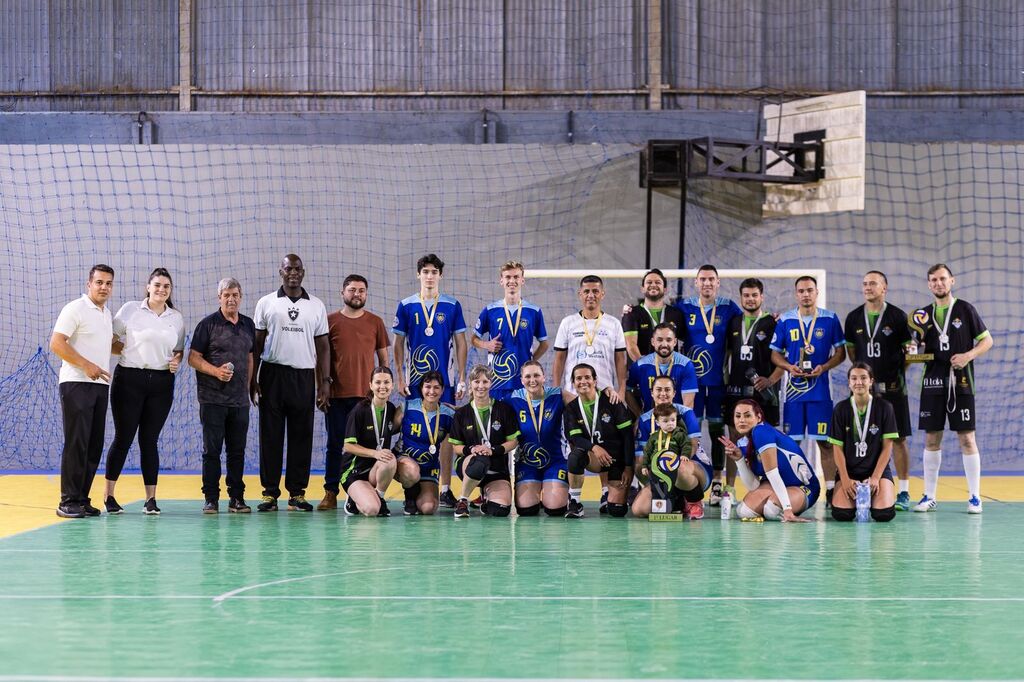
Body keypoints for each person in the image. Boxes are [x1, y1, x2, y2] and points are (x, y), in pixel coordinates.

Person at [910, 264, 993, 514]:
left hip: (962, 382)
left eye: (942, 279)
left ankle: (975, 497)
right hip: (932, 383)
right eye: (933, 280)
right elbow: (914, 356)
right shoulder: (922, 315)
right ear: (928, 284)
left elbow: (987, 341)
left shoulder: (965, 309)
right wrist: (913, 354)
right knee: (931, 438)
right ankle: (929, 496)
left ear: (952, 281)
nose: (938, 283)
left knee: (967, 438)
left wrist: (968, 356)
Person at [102, 268, 185, 515]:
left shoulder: (176, 318)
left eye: (166, 286)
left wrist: (176, 361)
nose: (161, 290)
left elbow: (178, 350)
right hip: (129, 379)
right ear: (148, 287)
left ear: (170, 291)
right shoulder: (130, 310)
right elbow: (110, 339)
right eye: (157, 285)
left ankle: (150, 500)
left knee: (149, 441)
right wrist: (128, 351)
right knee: (123, 438)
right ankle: (109, 496)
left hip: (161, 383)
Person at [250, 254, 330, 512]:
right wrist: (253, 379)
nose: (292, 273)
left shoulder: (316, 305)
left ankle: (297, 493)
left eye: (297, 269)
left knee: (301, 435)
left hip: (304, 376)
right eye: (288, 269)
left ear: (303, 272)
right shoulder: (266, 303)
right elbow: (257, 344)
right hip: (272, 375)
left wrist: (324, 384)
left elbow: (324, 348)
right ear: (280, 272)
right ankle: (269, 494)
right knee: (270, 435)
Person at [393, 253, 468, 508]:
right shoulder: (406, 305)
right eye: (425, 271)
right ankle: (410, 487)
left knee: (445, 432)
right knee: (410, 427)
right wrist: (400, 377)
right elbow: (399, 343)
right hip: (415, 382)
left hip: (442, 382)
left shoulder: (451, 305)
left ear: (440, 275)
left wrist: (460, 377)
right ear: (418, 275)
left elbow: (460, 342)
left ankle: (445, 488)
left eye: (434, 272)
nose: (429, 276)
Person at [551, 274, 628, 512]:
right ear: (580, 294)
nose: (591, 295)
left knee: (606, 439)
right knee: (578, 445)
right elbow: (559, 358)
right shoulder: (568, 323)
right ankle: (574, 498)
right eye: (586, 291)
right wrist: (560, 390)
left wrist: (621, 390)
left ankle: (607, 493)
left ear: (602, 294)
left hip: (605, 395)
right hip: (574, 395)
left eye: (595, 291)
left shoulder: (614, 324)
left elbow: (620, 359)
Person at [770, 275, 846, 506]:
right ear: (796, 294)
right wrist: (787, 366)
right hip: (793, 394)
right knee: (792, 444)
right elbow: (774, 354)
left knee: (825, 443)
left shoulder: (830, 319)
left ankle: (831, 491)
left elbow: (841, 353)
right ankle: (793, 487)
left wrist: (824, 366)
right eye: (801, 291)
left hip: (821, 393)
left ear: (816, 292)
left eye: (809, 290)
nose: (805, 294)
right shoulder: (785, 320)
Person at [318, 274, 391, 510]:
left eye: (361, 290)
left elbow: (383, 359)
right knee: (335, 445)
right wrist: (323, 389)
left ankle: (361, 489)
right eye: (351, 290)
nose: (356, 294)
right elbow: (320, 360)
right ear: (342, 293)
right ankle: (330, 492)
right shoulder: (329, 321)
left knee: (367, 445)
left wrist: (383, 392)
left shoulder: (375, 322)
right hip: (337, 396)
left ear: (366, 294)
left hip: (366, 399)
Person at [843, 270, 914, 510]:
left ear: (884, 287)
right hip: (864, 391)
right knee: (860, 435)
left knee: (899, 437)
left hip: (893, 388)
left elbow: (909, 353)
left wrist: (893, 372)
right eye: (864, 283)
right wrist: (865, 378)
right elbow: (853, 355)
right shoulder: (853, 318)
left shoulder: (897, 316)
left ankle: (903, 491)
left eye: (873, 283)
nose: (867, 287)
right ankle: (861, 484)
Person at [50, 264, 116, 518]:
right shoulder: (75, 308)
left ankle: (81, 498)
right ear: (89, 284)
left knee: (93, 444)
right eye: (99, 282)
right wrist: (86, 365)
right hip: (76, 383)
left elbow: (111, 346)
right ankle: (67, 501)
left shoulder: (106, 314)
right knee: (77, 441)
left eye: (108, 283)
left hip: (100, 385)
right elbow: (56, 343)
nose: (104, 287)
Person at [675, 264, 743, 505]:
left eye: (711, 279)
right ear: (696, 283)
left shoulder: (729, 308)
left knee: (717, 433)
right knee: (688, 431)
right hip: (690, 383)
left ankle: (717, 482)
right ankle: (687, 482)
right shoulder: (683, 308)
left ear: (718, 282)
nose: (707, 283)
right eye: (702, 279)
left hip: (718, 383)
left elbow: (747, 324)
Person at [188, 277, 255, 514]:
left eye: (235, 294)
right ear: (219, 298)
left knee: (237, 451)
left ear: (241, 297)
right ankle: (211, 499)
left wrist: (247, 388)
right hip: (212, 399)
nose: (231, 299)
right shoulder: (207, 325)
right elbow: (193, 358)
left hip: (239, 402)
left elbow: (249, 357)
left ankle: (236, 498)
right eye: (226, 295)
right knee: (212, 451)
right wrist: (216, 372)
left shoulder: (248, 324)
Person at [723, 277, 783, 500]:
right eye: (746, 295)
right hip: (736, 392)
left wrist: (771, 380)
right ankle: (729, 488)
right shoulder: (733, 322)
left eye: (754, 295)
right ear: (741, 298)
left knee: (764, 439)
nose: (750, 299)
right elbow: (726, 357)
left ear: (762, 297)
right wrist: (726, 384)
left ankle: (769, 486)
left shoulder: (774, 323)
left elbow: (782, 360)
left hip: (764, 393)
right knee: (734, 438)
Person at [719, 399, 819, 522]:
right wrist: (739, 459)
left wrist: (787, 509)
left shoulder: (761, 431)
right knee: (744, 511)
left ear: (759, 417)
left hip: (804, 486)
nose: (742, 420)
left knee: (772, 510)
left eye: (747, 415)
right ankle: (776, 502)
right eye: (738, 416)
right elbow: (753, 485)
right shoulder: (743, 443)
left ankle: (783, 505)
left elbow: (773, 473)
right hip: (772, 484)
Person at [827, 363, 898, 522]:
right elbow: (837, 449)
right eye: (854, 378)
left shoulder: (885, 407)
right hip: (850, 472)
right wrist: (845, 479)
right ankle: (839, 493)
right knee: (842, 514)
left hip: (876, 472)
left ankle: (875, 497)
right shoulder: (841, 409)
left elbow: (887, 448)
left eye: (863, 378)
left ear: (871, 381)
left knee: (884, 514)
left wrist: (875, 477)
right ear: (849, 383)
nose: (859, 382)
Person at [562, 363, 634, 518]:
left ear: (595, 380)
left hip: (616, 460)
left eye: (587, 377)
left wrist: (628, 467)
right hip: (593, 457)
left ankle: (612, 494)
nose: (583, 381)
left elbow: (628, 437)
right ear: (573, 383)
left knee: (617, 511)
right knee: (575, 456)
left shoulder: (612, 401)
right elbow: (575, 438)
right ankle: (574, 502)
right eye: (578, 378)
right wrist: (595, 447)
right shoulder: (571, 408)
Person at [448, 365, 520, 518]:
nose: (481, 386)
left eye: (485, 382)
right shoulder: (462, 413)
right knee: (480, 461)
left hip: (496, 468)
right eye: (476, 381)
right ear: (470, 384)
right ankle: (463, 500)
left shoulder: (504, 410)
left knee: (500, 510)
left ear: (491, 383)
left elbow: (513, 442)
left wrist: (493, 450)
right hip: (470, 464)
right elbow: (456, 447)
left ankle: (485, 497)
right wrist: (472, 450)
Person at [472, 260, 549, 400]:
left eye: (516, 277)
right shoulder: (490, 310)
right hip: (497, 381)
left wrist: (530, 361)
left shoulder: (534, 311)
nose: (512, 281)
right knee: (498, 421)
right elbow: (473, 339)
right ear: (501, 281)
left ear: (522, 280)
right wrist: (486, 345)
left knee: (522, 420)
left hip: (524, 381)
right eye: (508, 277)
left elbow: (544, 344)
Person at [338, 367, 403, 517]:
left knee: (390, 459)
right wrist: (375, 453)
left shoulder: (391, 409)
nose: (382, 386)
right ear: (370, 385)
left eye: (386, 382)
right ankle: (353, 499)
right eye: (378, 382)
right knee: (372, 510)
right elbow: (348, 446)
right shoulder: (359, 410)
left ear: (392, 385)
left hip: (375, 470)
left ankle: (379, 496)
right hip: (354, 472)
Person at [631, 403, 712, 519]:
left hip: (688, 472)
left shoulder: (680, 432)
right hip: (660, 473)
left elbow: (689, 446)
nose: (670, 424)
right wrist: (646, 467)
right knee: (639, 509)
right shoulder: (653, 436)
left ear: (674, 392)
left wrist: (684, 456)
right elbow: (647, 453)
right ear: (658, 423)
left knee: (677, 466)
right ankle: (676, 502)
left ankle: (694, 501)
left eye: (672, 420)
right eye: (665, 421)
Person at [509, 360, 567, 516]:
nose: (532, 380)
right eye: (527, 376)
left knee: (555, 508)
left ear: (544, 377)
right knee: (526, 510)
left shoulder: (557, 395)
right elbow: (487, 405)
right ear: (521, 380)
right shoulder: (514, 398)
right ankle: (538, 491)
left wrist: (607, 390)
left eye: (536, 375)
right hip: (527, 462)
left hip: (555, 460)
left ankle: (553, 492)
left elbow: (584, 399)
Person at [395, 371, 455, 516]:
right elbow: (387, 430)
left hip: (429, 466)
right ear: (421, 388)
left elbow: (466, 420)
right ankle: (409, 497)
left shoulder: (448, 414)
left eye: (436, 387)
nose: (431, 391)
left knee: (428, 508)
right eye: (428, 387)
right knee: (412, 471)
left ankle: (417, 493)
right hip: (405, 462)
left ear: (442, 390)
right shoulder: (407, 407)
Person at [634, 375, 702, 481]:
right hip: (659, 466)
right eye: (658, 390)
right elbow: (642, 454)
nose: (663, 394)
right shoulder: (645, 419)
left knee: (681, 469)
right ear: (652, 393)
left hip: (690, 462)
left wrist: (671, 463)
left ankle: (692, 497)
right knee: (639, 467)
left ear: (674, 393)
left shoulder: (686, 413)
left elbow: (693, 446)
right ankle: (656, 491)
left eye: (667, 390)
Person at [626, 322, 697, 414]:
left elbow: (688, 404)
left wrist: (677, 424)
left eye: (668, 340)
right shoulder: (640, 365)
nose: (664, 344)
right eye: (659, 340)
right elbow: (627, 391)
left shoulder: (686, 365)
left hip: (675, 420)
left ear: (675, 342)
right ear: (653, 342)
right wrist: (640, 416)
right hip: (650, 419)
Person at [622, 268, 686, 361]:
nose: (653, 285)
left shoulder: (676, 314)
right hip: (642, 372)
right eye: (649, 282)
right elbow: (631, 346)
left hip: (669, 372)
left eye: (657, 282)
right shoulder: (631, 313)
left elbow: (686, 340)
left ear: (665, 289)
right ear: (642, 289)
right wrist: (646, 368)